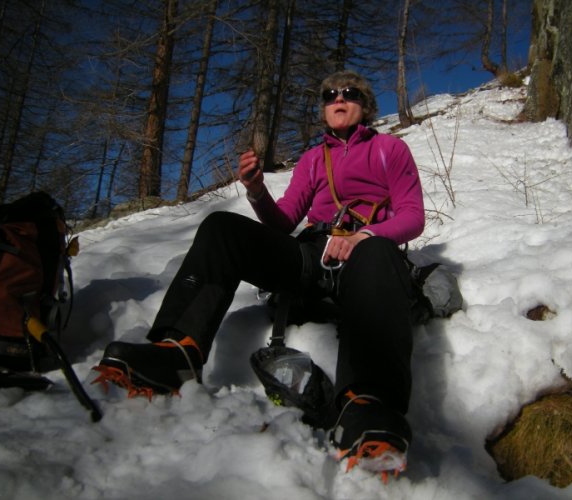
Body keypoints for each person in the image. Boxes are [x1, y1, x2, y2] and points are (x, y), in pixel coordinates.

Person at [93, 70, 425, 477]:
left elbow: (412, 216)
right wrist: (256, 192)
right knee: (221, 228)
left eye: (350, 93)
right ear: (323, 108)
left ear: (366, 105)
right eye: (330, 94)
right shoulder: (312, 159)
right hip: (310, 256)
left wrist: (366, 236)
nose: (339, 98)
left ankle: (368, 404)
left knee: (376, 251)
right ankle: (176, 351)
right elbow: (283, 222)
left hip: (365, 258)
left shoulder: (390, 149)